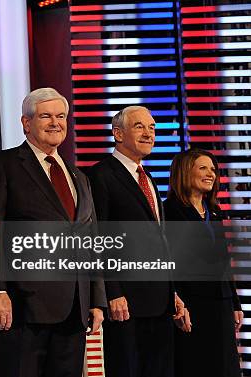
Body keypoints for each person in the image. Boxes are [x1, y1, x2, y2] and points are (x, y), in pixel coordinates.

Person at [0, 88, 106, 377]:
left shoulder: (79, 177)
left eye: (61, 116)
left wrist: (96, 299)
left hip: (74, 308)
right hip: (21, 309)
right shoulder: (2, 165)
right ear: (26, 123)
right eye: (46, 116)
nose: (55, 122)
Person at [88, 105, 189, 377]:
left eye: (152, 127)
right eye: (140, 127)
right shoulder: (100, 176)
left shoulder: (149, 178)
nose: (149, 133)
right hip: (126, 302)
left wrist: (173, 292)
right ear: (118, 134)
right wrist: (112, 291)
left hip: (159, 302)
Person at [165, 149, 242, 377]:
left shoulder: (215, 212)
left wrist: (235, 303)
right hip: (192, 305)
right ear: (184, 172)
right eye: (203, 168)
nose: (211, 174)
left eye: (213, 170)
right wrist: (176, 303)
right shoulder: (169, 212)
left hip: (221, 304)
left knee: (225, 367)